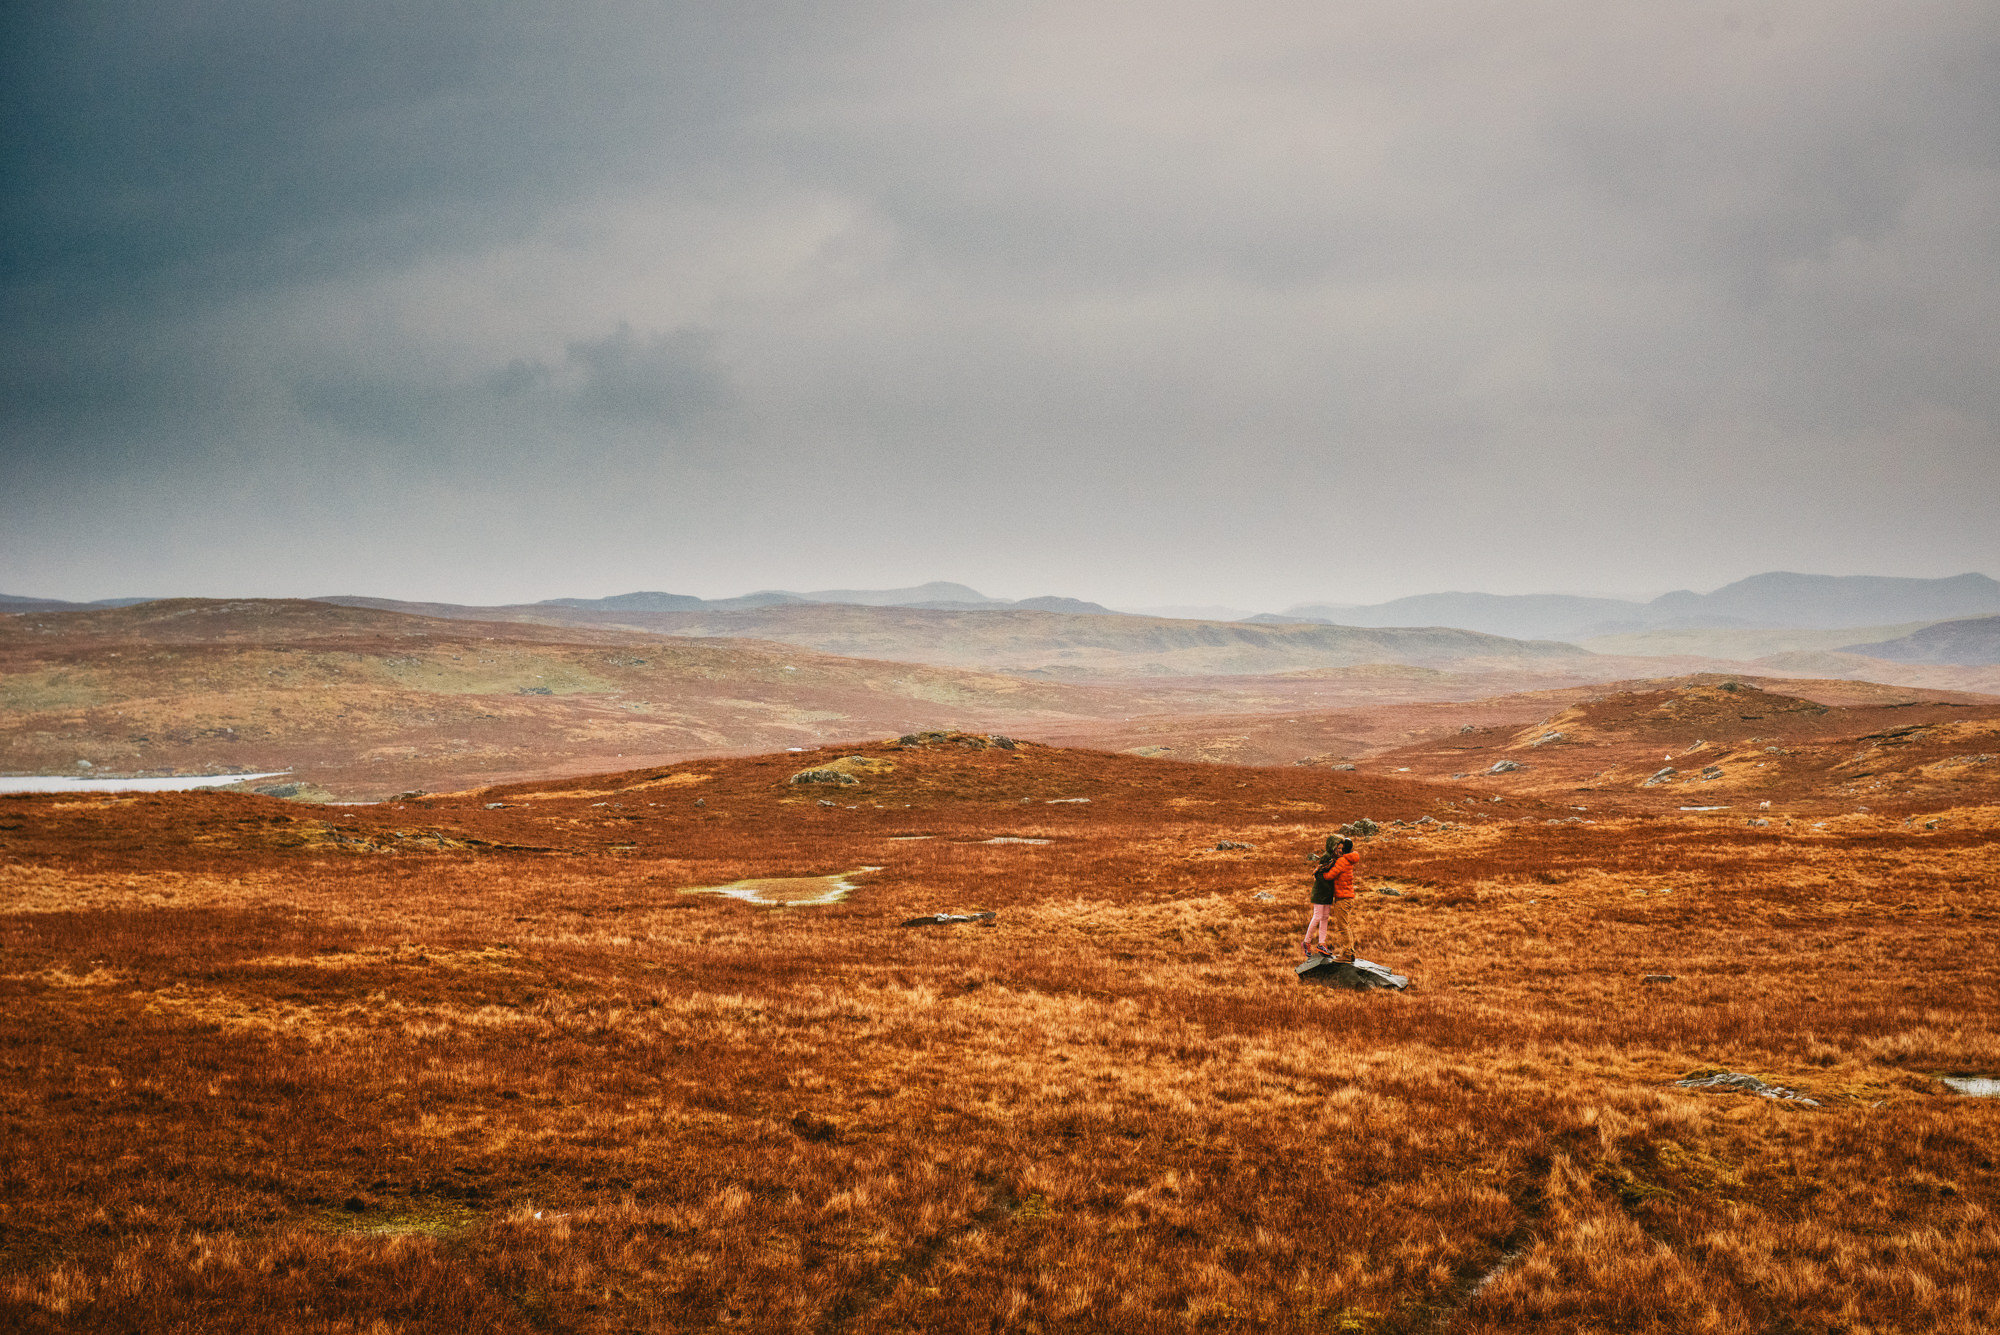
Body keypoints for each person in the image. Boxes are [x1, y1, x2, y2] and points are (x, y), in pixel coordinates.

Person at [1303, 835, 1359, 961]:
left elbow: (1329, 876)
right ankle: (1308, 942)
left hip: (1336, 895)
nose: (1339, 850)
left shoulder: (1340, 860)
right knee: (1320, 917)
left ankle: (1327, 946)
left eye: (1341, 848)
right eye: (1337, 848)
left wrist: (1320, 873)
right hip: (1327, 894)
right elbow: (1327, 875)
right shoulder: (1338, 859)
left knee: (1333, 922)